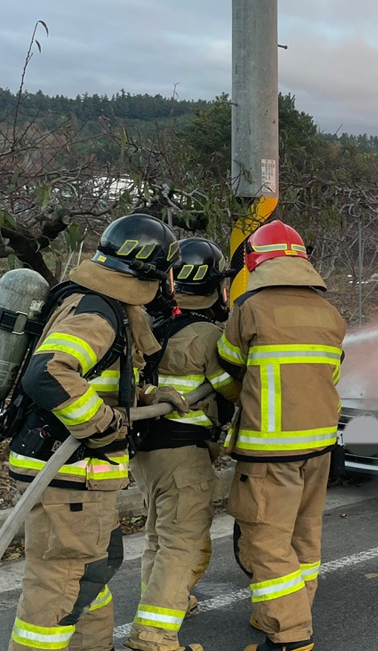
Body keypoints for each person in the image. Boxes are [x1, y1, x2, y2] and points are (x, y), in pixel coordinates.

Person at [8, 214, 189, 651]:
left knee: (95, 572)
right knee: (60, 588)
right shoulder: (98, 311)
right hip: (68, 473)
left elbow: (96, 374)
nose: (170, 283)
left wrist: (145, 396)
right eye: (168, 271)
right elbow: (49, 373)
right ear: (149, 270)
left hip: (81, 477)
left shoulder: (101, 301)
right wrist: (106, 426)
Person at [215, 220, 346, 651]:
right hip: (320, 448)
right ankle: (290, 611)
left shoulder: (250, 309)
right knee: (305, 535)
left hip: (269, 453)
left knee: (267, 541)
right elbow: (331, 374)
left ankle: (290, 634)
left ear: (256, 262)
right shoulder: (330, 313)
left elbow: (228, 368)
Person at [126, 239, 242, 651]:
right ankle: (155, 634)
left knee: (159, 534)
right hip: (183, 454)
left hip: (145, 453)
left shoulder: (151, 326)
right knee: (181, 541)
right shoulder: (208, 334)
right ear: (217, 286)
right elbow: (231, 389)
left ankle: (163, 603)